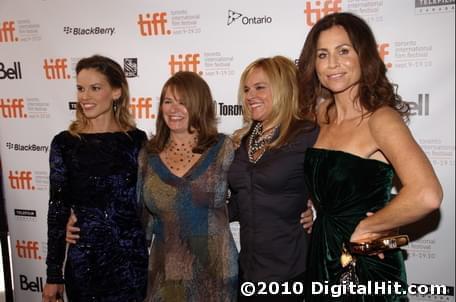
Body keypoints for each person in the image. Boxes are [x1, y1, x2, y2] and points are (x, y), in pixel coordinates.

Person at [297, 12, 443, 301]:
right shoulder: (320, 115)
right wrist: (305, 206)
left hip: (364, 259)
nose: (332, 64)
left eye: (343, 51)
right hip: (323, 250)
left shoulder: (381, 119)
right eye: (322, 55)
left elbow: (427, 194)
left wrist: (370, 226)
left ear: (363, 56)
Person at [43, 55, 148, 302]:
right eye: (80, 88)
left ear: (116, 92)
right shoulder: (64, 144)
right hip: (84, 263)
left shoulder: (136, 141)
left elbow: (149, 199)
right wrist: (53, 275)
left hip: (129, 262)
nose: (84, 97)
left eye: (95, 88)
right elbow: (57, 210)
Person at [138, 71, 239, 301]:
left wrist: (297, 207)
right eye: (168, 101)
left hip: (215, 271)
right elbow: (140, 215)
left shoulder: (223, 149)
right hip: (167, 271)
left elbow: (252, 192)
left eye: (183, 102)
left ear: (199, 105)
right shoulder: (147, 155)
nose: (174, 109)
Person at [228, 55, 319, 302]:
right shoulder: (243, 140)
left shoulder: (308, 135)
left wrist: (316, 213)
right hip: (248, 269)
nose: (249, 96)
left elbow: (338, 189)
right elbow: (239, 200)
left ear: (282, 88)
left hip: (290, 270)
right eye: (246, 89)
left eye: (259, 87)